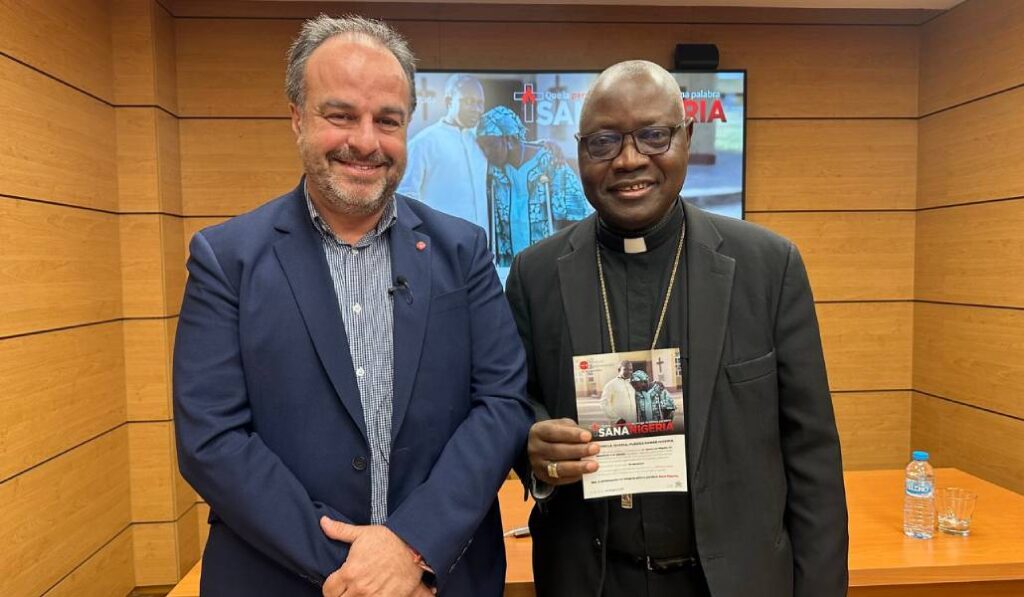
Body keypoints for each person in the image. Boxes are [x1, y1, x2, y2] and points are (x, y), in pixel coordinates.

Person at [172, 15, 532, 597]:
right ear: (297, 117)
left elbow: (502, 404)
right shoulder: (226, 258)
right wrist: (361, 570)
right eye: (340, 115)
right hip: (283, 579)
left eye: (387, 121)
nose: (365, 142)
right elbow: (212, 440)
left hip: (438, 577)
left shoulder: (462, 250)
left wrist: (412, 547)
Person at [506, 60, 848, 597]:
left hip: (733, 583)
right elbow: (512, 404)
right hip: (592, 580)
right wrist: (533, 445)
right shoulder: (535, 274)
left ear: (686, 137)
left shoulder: (767, 266)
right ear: (580, 152)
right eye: (603, 142)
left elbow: (812, 454)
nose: (629, 159)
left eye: (653, 136)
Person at [476, 106, 590, 266]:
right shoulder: (493, 170)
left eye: (490, 145)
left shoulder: (551, 162)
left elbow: (575, 218)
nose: (486, 152)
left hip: (547, 264)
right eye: (482, 146)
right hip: (508, 268)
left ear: (510, 140)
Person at [399, 74, 489, 231]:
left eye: (480, 103)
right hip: (438, 242)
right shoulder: (423, 143)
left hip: (481, 242)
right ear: (449, 101)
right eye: (468, 102)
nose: (476, 109)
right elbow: (405, 197)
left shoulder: (480, 142)